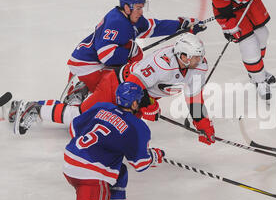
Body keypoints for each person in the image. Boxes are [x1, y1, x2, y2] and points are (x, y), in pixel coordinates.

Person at [10, 33, 215, 146]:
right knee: (76, 119)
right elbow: (133, 85)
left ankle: (80, 90)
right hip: (117, 87)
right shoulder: (162, 63)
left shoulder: (199, 68)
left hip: (135, 98)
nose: (198, 61)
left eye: (199, 56)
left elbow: (195, 98)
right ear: (181, 55)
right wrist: (148, 104)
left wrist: (203, 124)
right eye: (194, 57)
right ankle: (32, 107)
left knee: (122, 130)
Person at [64, 82, 165, 200]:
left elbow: (74, 128)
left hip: (70, 159)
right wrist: (155, 156)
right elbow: (139, 164)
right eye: (139, 100)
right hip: (91, 174)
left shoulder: (102, 107)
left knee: (120, 172)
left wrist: (105, 142)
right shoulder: (138, 127)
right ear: (134, 103)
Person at [63, 0, 206, 96]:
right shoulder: (117, 22)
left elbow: (154, 27)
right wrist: (131, 50)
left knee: (134, 60)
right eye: (138, 8)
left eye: (142, 7)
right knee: (112, 92)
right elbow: (106, 55)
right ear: (126, 7)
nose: (141, 11)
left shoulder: (130, 18)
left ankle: (84, 90)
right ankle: (80, 91)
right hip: (87, 65)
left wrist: (181, 26)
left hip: (89, 61)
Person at [211, 0, 276, 100]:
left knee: (263, 34)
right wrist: (227, 22)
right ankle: (259, 81)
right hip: (229, 7)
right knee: (249, 44)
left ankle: (258, 71)